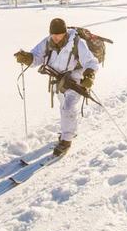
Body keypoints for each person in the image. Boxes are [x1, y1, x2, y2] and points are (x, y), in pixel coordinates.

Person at [14, 18, 100, 157]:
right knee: (64, 107)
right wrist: (27, 58)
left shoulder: (77, 42)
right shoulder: (47, 41)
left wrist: (89, 76)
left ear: (65, 32)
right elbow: (37, 57)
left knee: (68, 107)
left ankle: (66, 140)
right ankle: (71, 130)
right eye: (53, 35)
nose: (56, 38)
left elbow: (90, 61)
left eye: (59, 34)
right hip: (58, 80)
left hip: (75, 78)